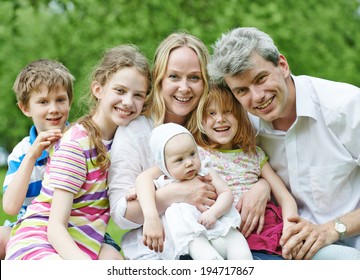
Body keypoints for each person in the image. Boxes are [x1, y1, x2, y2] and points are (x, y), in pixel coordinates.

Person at [108, 31, 269, 260]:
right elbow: (121, 214)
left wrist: (262, 186)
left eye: (194, 77)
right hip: (161, 251)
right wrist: (177, 193)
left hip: (223, 239)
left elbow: (249, 160)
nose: (184, 88)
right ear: (159, 79)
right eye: (174, 76)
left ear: (205, 81)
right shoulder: (136, 132)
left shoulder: (214, 125)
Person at [207, 26, 360, 260]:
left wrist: (331, 230)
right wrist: (263, 184)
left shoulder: (345, 107)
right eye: (242, 90)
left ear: (282, 65)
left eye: (261, 78)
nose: (257, 96)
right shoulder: (242, 127)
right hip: (285, 248)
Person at [5, 44, 151, 260]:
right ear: (98, 90)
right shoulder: (77, 143)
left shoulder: (124, 142)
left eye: (138, 95)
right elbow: (55, 228)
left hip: (85, 242)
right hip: (40, 242)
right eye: (120, 90)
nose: (128, 101)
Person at [190, 84, 299, 259]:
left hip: (263, 231)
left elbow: (285, 197)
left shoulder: (253, 154)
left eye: (228, 111)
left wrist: (290, 227)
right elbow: (162, 175)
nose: (220, 119)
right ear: (200, 119)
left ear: (240, 116)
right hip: (220, 234)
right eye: (211, 113)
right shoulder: (196, 153)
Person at [136, 122, 252, 260]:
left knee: (241, 252)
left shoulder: (206, 173)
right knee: (208, 258)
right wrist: (135, 191)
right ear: (163, 164)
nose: (189, 162)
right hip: (194, 238)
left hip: (222, 227)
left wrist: (214, 213)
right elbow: (142, 184)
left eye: (192, 154)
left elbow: (226, 194)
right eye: (179, 160)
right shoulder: (163, 182)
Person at [0, 59, 74, 260]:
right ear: (25, 108)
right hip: (29, 224)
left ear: (70, 101)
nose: (54, 109)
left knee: (112, 260)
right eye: (43, 102)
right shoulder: (22, 151)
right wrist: (32, 156)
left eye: (60, 99)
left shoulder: (79, 140)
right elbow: (10, 207)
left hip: (74, 225)